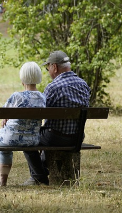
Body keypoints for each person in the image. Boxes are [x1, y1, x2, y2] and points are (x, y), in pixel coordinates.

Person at [22, 50, 91, 186]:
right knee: (46, 133)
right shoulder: (84, 85)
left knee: (26, 138)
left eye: (48, 68)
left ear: (54, 67)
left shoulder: (52, 88)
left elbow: (39, 113)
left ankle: (39, 176)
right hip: (77, 137)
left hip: (56, 137)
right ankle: (41, 172)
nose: (48, 71)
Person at [0, 61, 46, 188]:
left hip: (10, 138)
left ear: (22, 79)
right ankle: (2, 182)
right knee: (4, 143)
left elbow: (3, 114)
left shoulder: (16, 96)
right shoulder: (43, 97)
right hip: (32, 140)